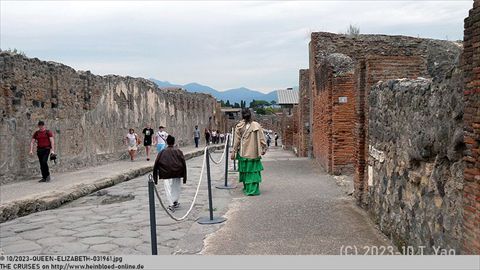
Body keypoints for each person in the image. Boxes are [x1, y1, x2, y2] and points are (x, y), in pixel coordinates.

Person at [231, 108, 267, 196]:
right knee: (253, 171)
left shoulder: (239, 126)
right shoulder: (256, 125)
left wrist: (233, 151)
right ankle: (253, 190)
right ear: (251, 115)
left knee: (245, 171)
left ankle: (247, 188)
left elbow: (236, 141)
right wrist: (264, 148)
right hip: (254, 152)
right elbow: (262, 138)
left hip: (243, 153)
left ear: (242, 115)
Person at [153, 135, 187, 212]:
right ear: (174, 142)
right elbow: (183, 163)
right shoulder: (179, 151)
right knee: (176, 187)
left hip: (166, 173)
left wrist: (156, 177)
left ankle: (171, 203)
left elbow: (156, 164)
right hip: (177, 172)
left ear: (167, 142)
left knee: (168, 189)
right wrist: (184, 176)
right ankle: (175, 201)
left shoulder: (162, 152)